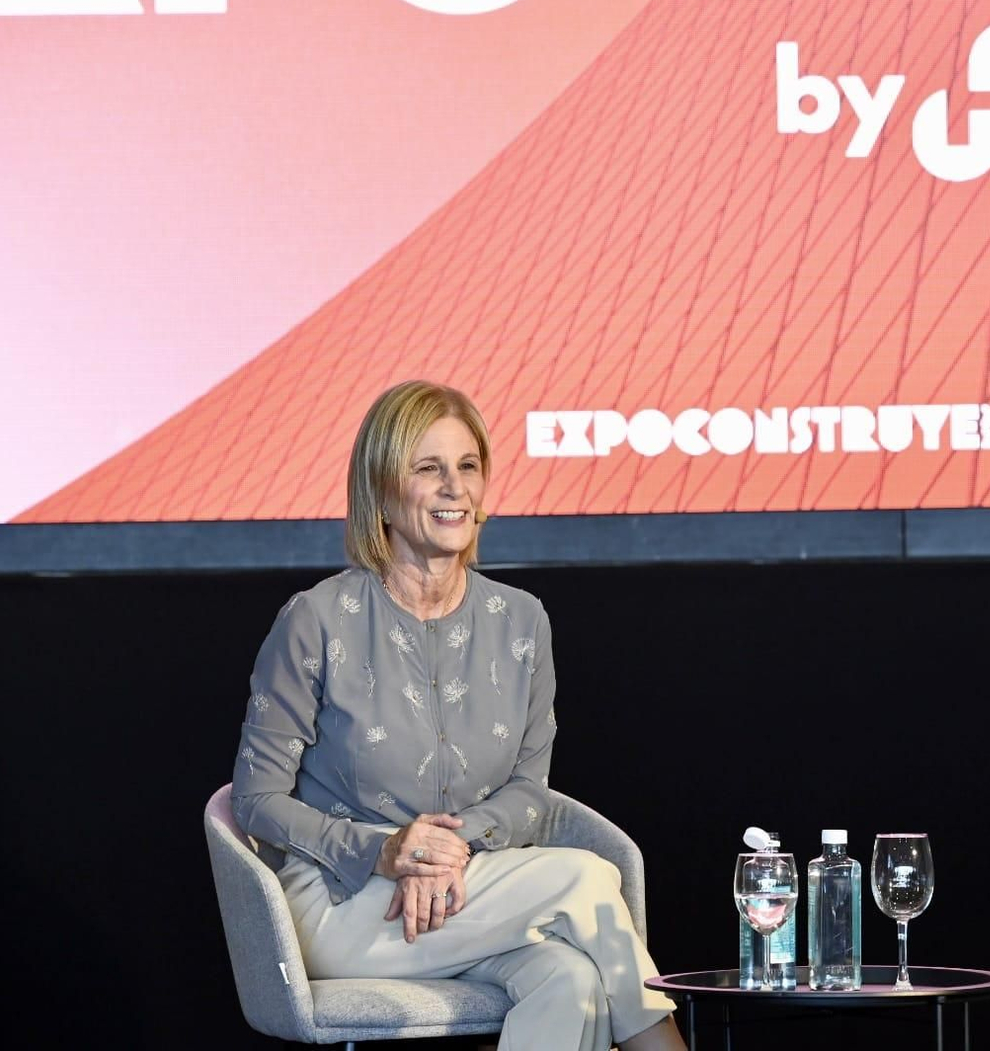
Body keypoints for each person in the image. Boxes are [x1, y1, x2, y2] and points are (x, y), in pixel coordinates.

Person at [232, 381, 686, 1051]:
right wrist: (384, 850)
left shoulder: (523, 621)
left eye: (467, 466)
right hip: (344, 903)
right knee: (587, 876)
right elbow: (257, 799)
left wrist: (450, 846)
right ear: (382, 494)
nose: (454, 487)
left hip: (473, 892)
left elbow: (529, 793)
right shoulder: (315, 621)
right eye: (428, 467)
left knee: (571, 980)